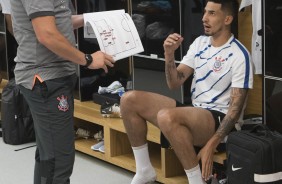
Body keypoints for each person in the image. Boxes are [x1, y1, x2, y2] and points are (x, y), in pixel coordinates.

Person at [120, 0, 254, 183]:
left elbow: (235, 111)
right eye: (205, 12)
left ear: (228, 19)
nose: (204, 18)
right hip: (195, 111)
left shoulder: (240, 55)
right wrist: (169, 55)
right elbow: (175, 82)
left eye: (212, 14)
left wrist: (211, 144)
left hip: (219, 118)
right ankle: (144, 170)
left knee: (167, 116)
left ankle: (196, 180)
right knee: (129, 99)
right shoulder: (200, 43)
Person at [10, 0, 115, 184]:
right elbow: (47, 34)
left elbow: (56, 21)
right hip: (46, 80)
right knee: (58, 161)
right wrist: (88, 59)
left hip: (51, 79)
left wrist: (88, 18)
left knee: (49, 156)